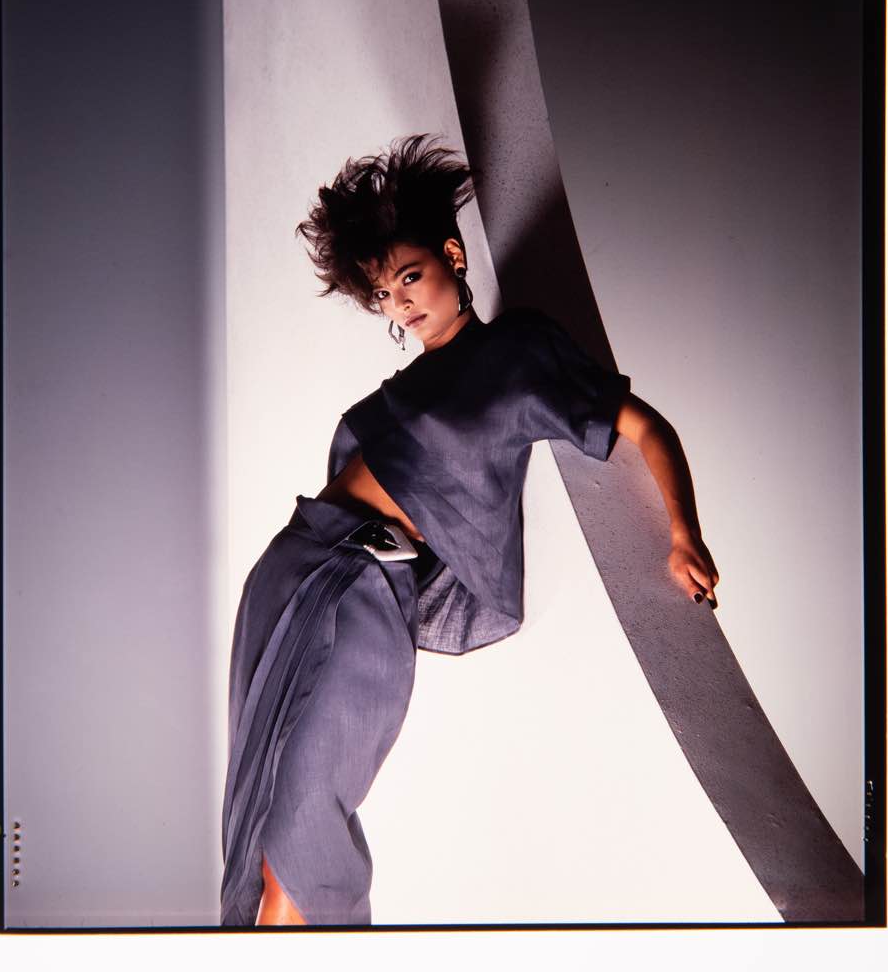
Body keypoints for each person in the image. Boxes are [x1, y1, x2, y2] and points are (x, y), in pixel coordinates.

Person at [219, 135, 720, 927]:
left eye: (410, 276)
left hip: (367, 585)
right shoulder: (407, 384)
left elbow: (643, 425)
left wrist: (683, 531)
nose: (401, 302)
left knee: (302, 819)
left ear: (451, 256)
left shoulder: (517, 352)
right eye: (384, 293)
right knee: (257, 830)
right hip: (294, 565)